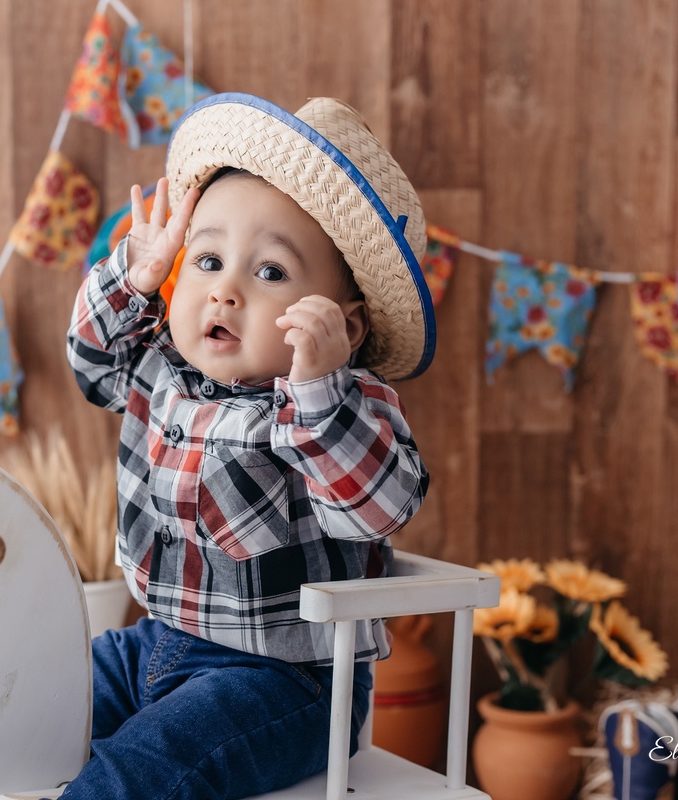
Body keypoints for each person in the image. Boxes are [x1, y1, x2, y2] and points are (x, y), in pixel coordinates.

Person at [59, 92, 438, 799]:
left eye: (269, 273)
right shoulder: (158, 367)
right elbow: (89, 365)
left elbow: (377, 508)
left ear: (348, 328)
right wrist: (133, 278)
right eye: (206, 260)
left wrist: (320, 389)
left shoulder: (343, 406)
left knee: (137, 770)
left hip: (285, 682)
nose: (224, 291)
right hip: (153, 644)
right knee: (24, 701)